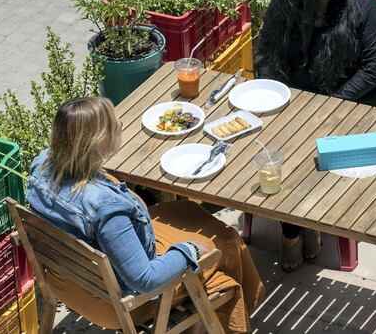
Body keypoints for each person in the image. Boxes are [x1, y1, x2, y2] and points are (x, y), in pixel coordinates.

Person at [26, 97, 265, 332]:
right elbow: (145, 279)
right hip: (117, 306)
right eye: (114, 124)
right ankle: (219, 321)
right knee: (227, 244)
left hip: (65, 281)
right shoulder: (106, 210)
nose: (120, 126)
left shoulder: (43, 163)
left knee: (187, 210)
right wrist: (190, 250)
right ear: (99, 143)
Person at [255, 0, 376, 271]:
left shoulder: (365, 6)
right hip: (296, 99)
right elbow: (268, 57)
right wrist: (278, 100)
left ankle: (308, 223)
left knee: (313, 148)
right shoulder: (285, 4)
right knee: (279, 150)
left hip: (349, 103)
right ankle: (292, 229)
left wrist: (328, 106)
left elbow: (372, 72)